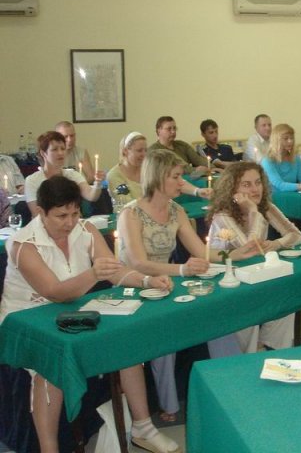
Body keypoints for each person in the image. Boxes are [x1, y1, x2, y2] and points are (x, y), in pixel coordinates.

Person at [0, 176, 179, 453]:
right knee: (50, 367)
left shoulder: (85, 229)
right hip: (25, 320)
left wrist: (146, 281)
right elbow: (55, 292)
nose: (70, 222)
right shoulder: (23, 244)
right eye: (61, 216)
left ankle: (143, 427)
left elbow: (115, 271)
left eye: (75, 213)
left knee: (125, 344)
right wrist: (93, 274)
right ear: (41, 212)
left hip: (71, 310)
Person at [117, 150, 257, 423]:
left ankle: (232, 381)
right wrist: (182, 270)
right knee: (166, 332)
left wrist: (233, 255)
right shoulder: (130, 214)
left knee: (215, 315)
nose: (182, 182)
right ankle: (169, 404)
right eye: (176, 177)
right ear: (157, 178)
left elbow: (201, 251)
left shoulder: (176, 210)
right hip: (136, 286)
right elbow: (138, 263)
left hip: (167, 282)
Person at [208, 162, 301, 352]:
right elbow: (249, 249)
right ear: (232, 189)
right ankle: (247, 357)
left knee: (285, 302)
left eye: (258, 182)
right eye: (246, 184)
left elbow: (296, 235)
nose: (255, 189)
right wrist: (253, 212)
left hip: (255, 274)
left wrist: (276, 244)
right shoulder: (223, 216)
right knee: (249, 311)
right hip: (227, 280)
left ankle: (273, 350)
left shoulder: (265, 207)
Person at [107, 132, 211, 205]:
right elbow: (126, 202)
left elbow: (176, 182)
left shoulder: (149, 168)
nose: (144, 154)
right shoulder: (114, 175)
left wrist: (197, 191)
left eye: (145, 150)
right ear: (125, 151)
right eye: (139, 151)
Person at [25, 131, 104, 217]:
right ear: (43, 153)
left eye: (63, 149)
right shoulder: (32, 180)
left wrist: (97, 183)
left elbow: (91, 196)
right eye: (55, 149)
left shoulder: (72, 175)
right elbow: (36, 214)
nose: (60, 153)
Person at [261, 123, 301, 192]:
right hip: (275, 196)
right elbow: (279, 184)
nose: (290, 141)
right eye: (286, 139)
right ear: (276, 140)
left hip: (294, 194)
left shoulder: (296, 158)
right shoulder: (267, 161)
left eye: (292, 138)